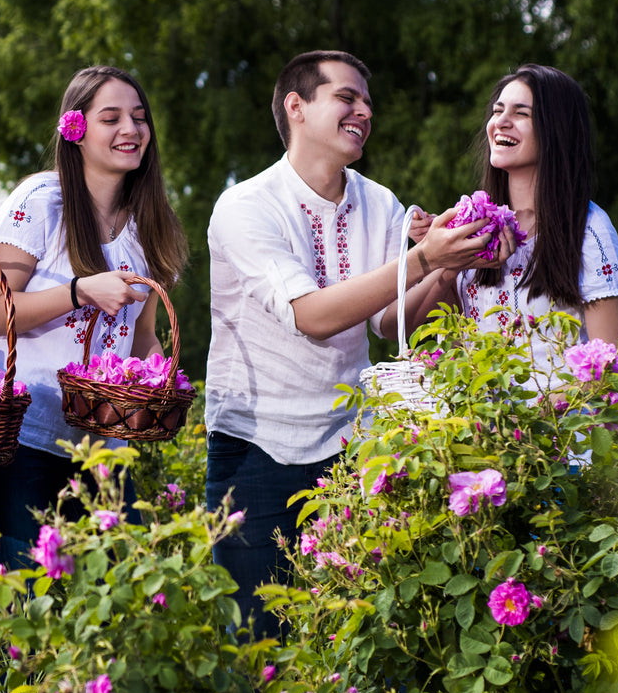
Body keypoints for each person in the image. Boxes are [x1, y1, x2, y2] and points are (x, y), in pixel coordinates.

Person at [204, 50, 507, 638]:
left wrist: (444, 271)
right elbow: (312, 316)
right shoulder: (244, 206)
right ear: (296, 106)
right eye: (347, 97)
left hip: (352, 449)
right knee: (256, 646)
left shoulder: (381, 202)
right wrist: (423, 256)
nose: (364, 111)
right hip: (256, 449)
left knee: (351, 642)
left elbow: (390, 323)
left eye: (368, 102)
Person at [0, 66, 188, 567]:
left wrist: (161, 377)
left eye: (139, 117)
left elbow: (142, 338)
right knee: (26, 600)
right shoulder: (42, 201)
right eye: (111, 118)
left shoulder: (150, 223)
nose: (131, 130)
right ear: (76, 128)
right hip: (20, 440)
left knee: (113, 601)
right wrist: (78, 291)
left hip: (101, 447)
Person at [400, 64, 618, 374]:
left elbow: (609, 371)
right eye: (497, 111)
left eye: (521, 114)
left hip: (558, 420)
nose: (500, 123)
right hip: (476, 420)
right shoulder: (474, 226)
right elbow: (405, 329)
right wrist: (447, 259)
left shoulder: (588, 230)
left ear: (556, 129)